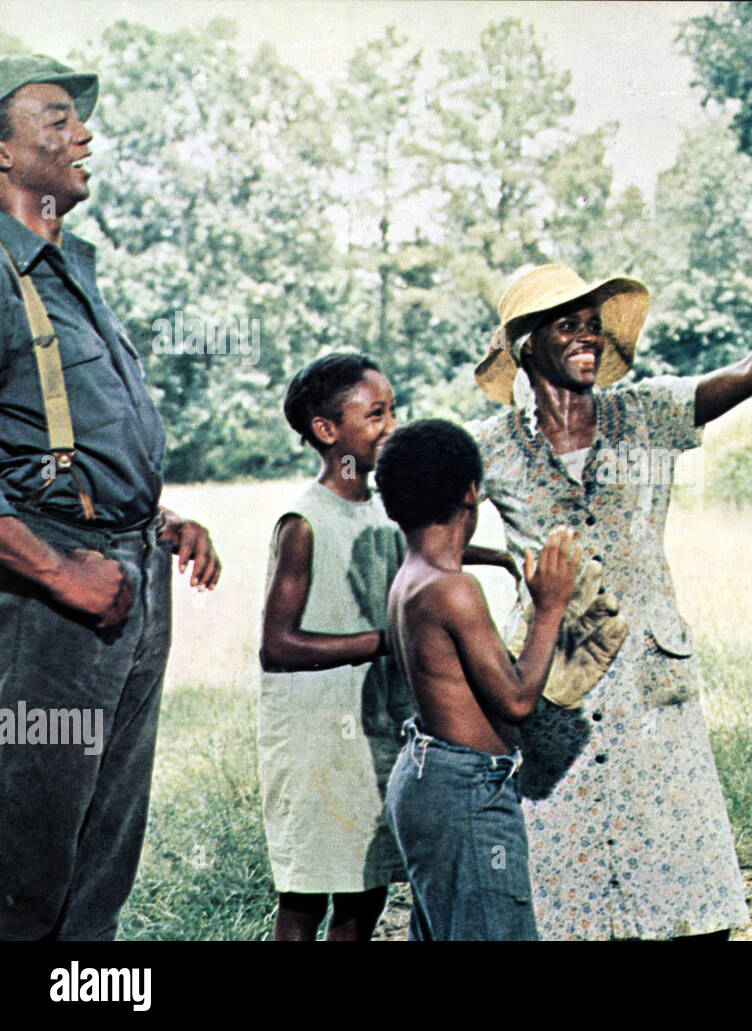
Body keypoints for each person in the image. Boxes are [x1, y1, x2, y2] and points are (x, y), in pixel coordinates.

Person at [466, 262, 752, 940]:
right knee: (566, 893)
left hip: (652, 678)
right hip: (556, 685)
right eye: (569, 326)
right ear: (527, 345)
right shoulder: (490, 446)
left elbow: (750, 373)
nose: (587, 337)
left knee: (684, 883)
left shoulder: (647, 412)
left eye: (593, 326)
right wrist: (506, 561)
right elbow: (420, 525)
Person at [0, 55, 220, 941]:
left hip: (128, 577)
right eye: (55, 119)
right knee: (25, 861)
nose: (83, 135)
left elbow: (61, 438)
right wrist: (60, 570)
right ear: (3, 153)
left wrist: (152, 516)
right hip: (47, 600)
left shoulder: (74, 270)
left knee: (103, 852)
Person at [259, 355, 519, 941]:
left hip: (377, 727)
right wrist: (387, 640)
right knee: (306, 894)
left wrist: (497, 557)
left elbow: (415, 551)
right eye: (376, 414)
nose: (392, 425)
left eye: (395, 410)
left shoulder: (385, 504)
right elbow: (276, 645)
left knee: (366, 888)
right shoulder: (304, 520)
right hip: (315, 736)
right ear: (328, 432)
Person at [377, 418, 578, 941]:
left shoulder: (412, 575)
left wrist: (499, 558)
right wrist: (550, 607)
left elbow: (445, 550)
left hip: (425, 779)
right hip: (467, 790)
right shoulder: (454, 590)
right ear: (472, 494)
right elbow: (515, 702)